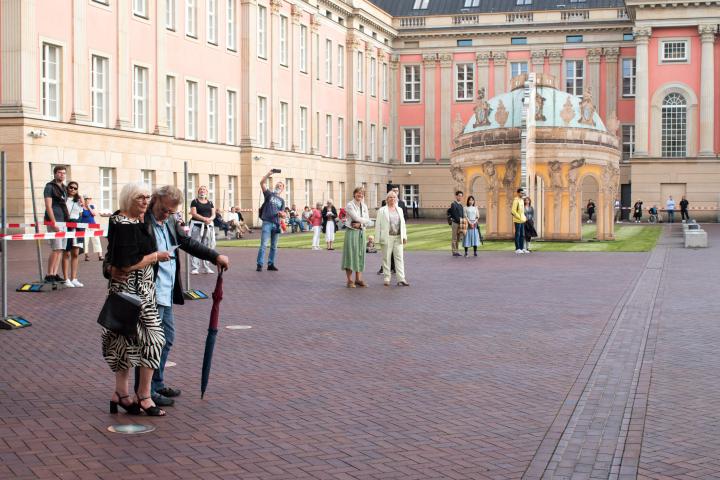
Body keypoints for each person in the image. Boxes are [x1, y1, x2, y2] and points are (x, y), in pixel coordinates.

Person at [105, 185, 230, 409]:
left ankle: (154, 384)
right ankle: (145, 391)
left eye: (171, 212)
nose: (166, 214)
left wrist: (214, 256)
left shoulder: (170, 221)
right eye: (163, 209)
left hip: (164, 290)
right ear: (155, 201)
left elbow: (187, 243)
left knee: (165, 339)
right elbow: (115, 255)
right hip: (144, 292)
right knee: (148, 342)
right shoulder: (138, 220)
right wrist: (110, 269)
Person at [102, 182, 168, 417]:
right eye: (140, 197)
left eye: (147, 197)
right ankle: (143, 395)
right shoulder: (122, 223)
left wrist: (109, 267)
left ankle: (122, 394)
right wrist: (155, 257)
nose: (144, 201)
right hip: (130, 292)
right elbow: (127, 263)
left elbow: (111, 257)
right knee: (153, 339)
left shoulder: (140, 221)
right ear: (129, 198)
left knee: (127, 342)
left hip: (143, 291)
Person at [375, 191, 409, 287]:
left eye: (394, 197)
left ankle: (401, 279)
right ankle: (387, 278)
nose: (392, 199)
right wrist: (377, 240)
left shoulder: (400, 210)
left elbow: (403, 225)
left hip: (398, 237)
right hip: (387, 237)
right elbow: (378, 225)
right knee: (386, 258)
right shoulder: (382, 210)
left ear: (396, 199)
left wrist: (404, 236)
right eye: (390, 197)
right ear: (387, 199)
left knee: (399, 258)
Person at [43, 166, 69, 283]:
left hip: (63, 220)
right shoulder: (49, 187)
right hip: (54, 220)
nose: (62, 175)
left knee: (61, 249)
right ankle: (49, 274)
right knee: (56, 248)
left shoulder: (64, 188)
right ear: (54, 174)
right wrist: (53, 223)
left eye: (64, 173)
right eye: (59, 173)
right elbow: (48, 206)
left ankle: (54, 273)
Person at [342, 187, 371, 288]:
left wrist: (361, 225)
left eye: (362, 194)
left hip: (361, 233)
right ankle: (350, 280)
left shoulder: (364, 206)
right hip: (352, 232)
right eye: (358, 193)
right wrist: (365, 221)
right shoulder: (350, 205)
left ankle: (358, 279)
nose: (360, 195)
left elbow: (368, 220)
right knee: (350, 254)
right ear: (354, 194)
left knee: (360, 255)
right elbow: (356, 218)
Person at [256, 170, 286, 271]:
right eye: (277, 185)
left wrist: (283, 214)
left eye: (280, 186)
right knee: (264, 244)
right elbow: (262, 183)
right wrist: (269, 173)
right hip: (267, 222)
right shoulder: (269, 195)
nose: (278, 186)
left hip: (276, 224)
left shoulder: (282, 201)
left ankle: (270, 264)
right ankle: (259, 264)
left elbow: (283, 214)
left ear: (283, 189)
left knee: (274, 246)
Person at [189, 186, 216, 274]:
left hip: (207, 227)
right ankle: (195, 268)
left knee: (207, 246)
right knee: (195, 246)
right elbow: (194, 213)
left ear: (207, 192)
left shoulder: (210, 202)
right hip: (197, 226)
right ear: (198, 192)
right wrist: (204, 219)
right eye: (200, 189)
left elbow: (213, 214)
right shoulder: (195, 201)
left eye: (204, 189)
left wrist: (210, 219)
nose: (202, 191)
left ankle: (207, 267)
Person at [63, 181, 85, 287]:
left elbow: (81, 213)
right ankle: (66, 278)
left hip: (78, 227)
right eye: (71, 187)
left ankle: (74, 278)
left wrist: (82, 202)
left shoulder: (78, 201)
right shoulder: (64, 199)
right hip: (67, 226)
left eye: (75, 188)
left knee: (75, 253)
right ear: (67, 188)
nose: (72, 189)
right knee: (66, 253)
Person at [81, 196, 103, 261]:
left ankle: (100, 255)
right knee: (85, 241)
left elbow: (94, 214)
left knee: (96, 240)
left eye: (90, 199)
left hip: (93, 225)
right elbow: (80, 216)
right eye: (88, 199)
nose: (89, 200)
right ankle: (86, 256)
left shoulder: (92, 206)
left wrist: (89, 207)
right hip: (85, 226)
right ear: (84, 200)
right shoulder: (81, 207)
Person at [447, 191, 465, 257]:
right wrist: (460, 220)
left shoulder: (460, 205)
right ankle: (454, 251)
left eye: (461, 196)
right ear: (456, 196)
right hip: (455, 223)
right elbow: (454, 214)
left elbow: (462, 214)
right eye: (459, 196)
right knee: (454, 238)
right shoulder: (453, 204)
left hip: (460, 223)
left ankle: (457, 251)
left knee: (458, 238)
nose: (460, 197)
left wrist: (462, 221)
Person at [511, 188, 527, 254]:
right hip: (517, 220)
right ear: (518, 193)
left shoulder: (522, 200)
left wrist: (524, 218)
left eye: (523, 193)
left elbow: (522, 211)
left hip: (522, 220)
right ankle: (517, 248)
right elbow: (513, 211)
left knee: (522, 234)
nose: (522, 194)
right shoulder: (516, 200)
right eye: (521, 193)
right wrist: (519, 217)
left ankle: (522, 248)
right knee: (518, 234)